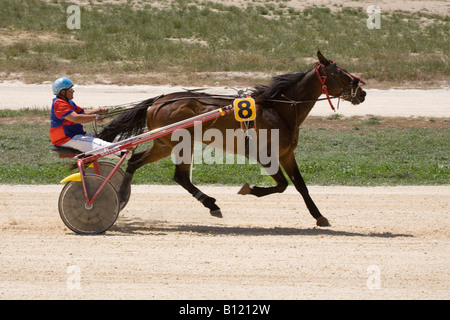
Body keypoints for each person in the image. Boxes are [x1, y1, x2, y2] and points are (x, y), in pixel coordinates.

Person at [50, 77, 115, 155]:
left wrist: (100, 110)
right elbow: (76, 118)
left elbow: (83, 113)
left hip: (75, 135)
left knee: (107, 137)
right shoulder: (59, 104)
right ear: (63, 92)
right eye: (70, 89)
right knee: (104, 145)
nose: (73, 91)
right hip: (66, 139)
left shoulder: (69, 102)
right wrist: (95, 117)